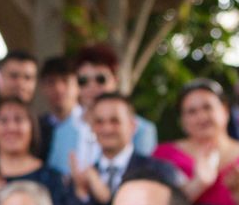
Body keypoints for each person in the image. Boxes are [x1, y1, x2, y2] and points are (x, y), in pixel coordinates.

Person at [47, 42, 159, 173]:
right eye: (83, 81)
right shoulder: (62, 131)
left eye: (100, 79)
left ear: (115, 80)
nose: (92, 87)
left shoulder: (142, 130)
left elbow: (146, 177)